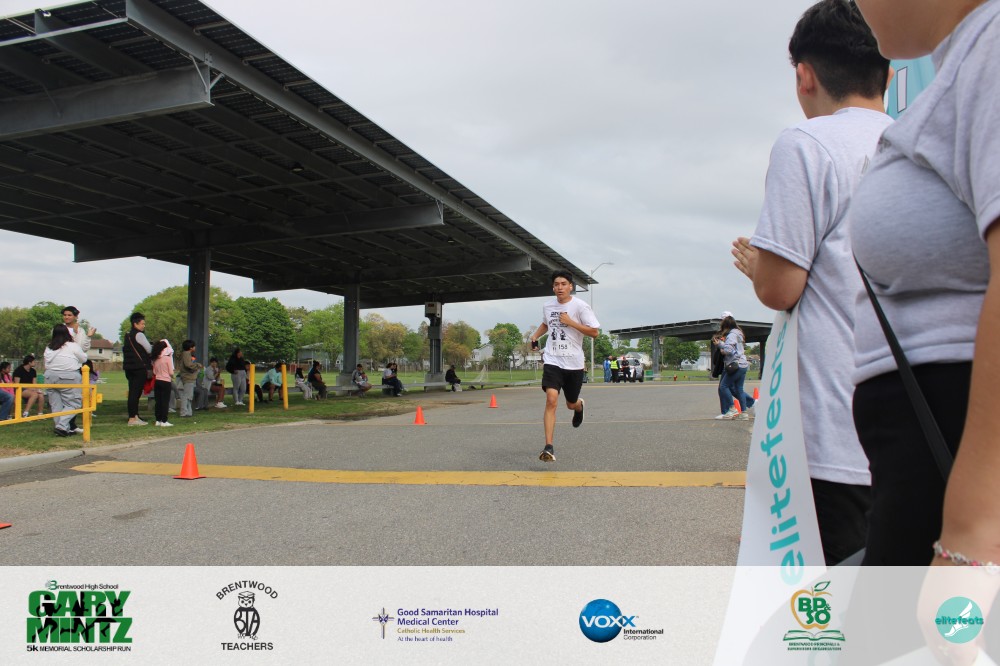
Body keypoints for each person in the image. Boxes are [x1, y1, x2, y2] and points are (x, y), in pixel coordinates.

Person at [730, 0, 891, 565]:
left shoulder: (808, 143)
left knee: (827, 602)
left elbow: (780, 290)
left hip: (834, 434)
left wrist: (758, 265)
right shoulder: (923, 144)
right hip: (915, 431)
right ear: (887, 72)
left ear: (805, 75)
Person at [847, 0, 1000, 568]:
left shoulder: (991, 43)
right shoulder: (971, 56)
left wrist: (972, 533)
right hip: (929, 460)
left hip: (956, 471)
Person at [529, 270, 600, 462]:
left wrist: (571, 322)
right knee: (551, 399)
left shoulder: (581, 306)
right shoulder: (548, 306)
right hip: (553, 359)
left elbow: (594, 332)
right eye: (556, 284)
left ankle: (578, 407)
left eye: (563, 284)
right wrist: (535, 336)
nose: (559, 287)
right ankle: (548, 447)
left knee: (570, 403)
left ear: (570, 287)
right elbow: (546, 324)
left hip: (574, 362)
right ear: (553, 287)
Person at [43, 324, 87, 437]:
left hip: (50, 377)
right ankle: (62, 426)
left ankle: (62, 429)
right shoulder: (72, 345)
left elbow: (46, 362)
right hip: (68, 376)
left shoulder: (49, 347)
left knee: (55, 405)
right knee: (74, 404)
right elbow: (84, 358)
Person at [712, 314, 755, 420]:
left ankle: (732, 408)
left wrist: (720, 346)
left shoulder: (731, 335)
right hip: (743, 364)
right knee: (739, 389)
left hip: (735, 364)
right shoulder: (739, 333)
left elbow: (728, 350)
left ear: (726, 326)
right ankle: (744, 413)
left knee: (723, 386)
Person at [61, 306, 95, 433]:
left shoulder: (80, 330)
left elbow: (83, 348)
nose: (66, 317)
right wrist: (74, 333)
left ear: (76, 317)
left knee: (75, 397)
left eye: (69, 315)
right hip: (64, 366)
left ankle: (71, 425)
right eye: (65, 315)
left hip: (76, 366)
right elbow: (64, 346)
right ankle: (63, 425)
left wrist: (88, 336)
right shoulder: (60, 329)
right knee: (64, 398)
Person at [122, 312, 152, 426]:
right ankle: (132, 418)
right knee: (136, 393)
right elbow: (148, 349)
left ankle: (134, 415)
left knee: (132, 392)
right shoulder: (139, 335)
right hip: (139, 367)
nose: (144, 326)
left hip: (129, 368)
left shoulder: (127, 335)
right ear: (135, 324)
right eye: (142, 323)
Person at [150, 339, 174, 427]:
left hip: (157, 381)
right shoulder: (167, 358)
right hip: (166, 381)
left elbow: (154, 372)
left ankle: (158, 420)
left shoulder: (156, 359)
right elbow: (171, 372)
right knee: (165, 402)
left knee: (158, 401)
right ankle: (164, 421)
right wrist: (172, 375)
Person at [178, 340, 203, 417]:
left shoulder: (187, 354)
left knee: (189, 396)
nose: (195, 347)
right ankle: (184, 412)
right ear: (190, 347)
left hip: (190, 377)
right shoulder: (186, 354)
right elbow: (188, 365)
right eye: (194, 346)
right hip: (188, 377)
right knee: (186, 396)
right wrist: (197, 365)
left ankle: (189, 412)